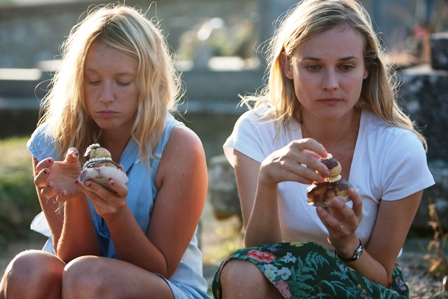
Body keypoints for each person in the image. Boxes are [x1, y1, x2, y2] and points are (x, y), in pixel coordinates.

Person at [211, 0, 435, 298]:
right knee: (240, 272)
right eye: (313, 67)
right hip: (280, 282)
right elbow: (259, 255)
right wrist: (267, 181)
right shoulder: (256, 130)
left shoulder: (399, 149)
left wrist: (346, 243)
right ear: (287, 67)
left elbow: (382, 276)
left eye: (346, 67)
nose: (331, 84)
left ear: (367, 68)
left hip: (361, 284)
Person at [0, 4, 210, 299]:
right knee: (26, 270)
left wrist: (116, 212)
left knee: (88, 276)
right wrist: (74, 198)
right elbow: (74, 259)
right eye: (93, 81)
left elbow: (159, 267)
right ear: (77, 81)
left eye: (123, 82)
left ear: (149, 82)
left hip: (165, 287)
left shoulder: (179, 147)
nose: (106, 97)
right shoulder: (52, 141)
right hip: (83, 280)